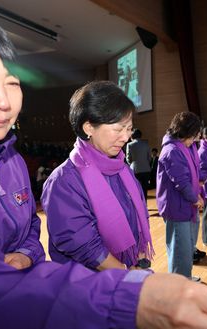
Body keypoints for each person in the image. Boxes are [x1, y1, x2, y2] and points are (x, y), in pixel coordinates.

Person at [0, 2, 207, 329]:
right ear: (88, 127)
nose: (4, 101)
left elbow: (30, 236)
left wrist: (22, 256)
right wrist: (128, 295)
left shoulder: (12, 161)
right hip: (78, 297)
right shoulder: (62, 180)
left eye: (12, 82)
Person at [42, 81, 153, 272]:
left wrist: (139, 257)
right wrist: (125, 272)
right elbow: (83, 244)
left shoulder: (120, 167)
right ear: (89, 128)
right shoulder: (64, 181)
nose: (126, 137)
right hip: (90, 286)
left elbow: (137, 213)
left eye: (129, 129)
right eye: (118, 129)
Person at [157, 111, 204, 281]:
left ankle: (185, 277)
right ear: (185, 132)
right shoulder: (172, 150)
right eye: (193, 135)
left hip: (186, 203)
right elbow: (182, 182)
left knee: (186, 247)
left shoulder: (184, 146)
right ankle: (178, 284)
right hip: (176, 206)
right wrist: (195, 198)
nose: (195, 139)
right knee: (179, 249)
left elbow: (192, 175)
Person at [126, 128, 152, 201]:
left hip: (135, 170)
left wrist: (132, 163)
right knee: (145, 188)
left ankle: (139, 205)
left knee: (136, 189)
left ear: (132, 136)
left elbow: (128, 159)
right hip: (146, 169)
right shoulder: (146, 144)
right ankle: (145, 204)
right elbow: (149, 157)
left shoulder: (129, 145)